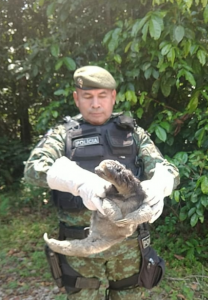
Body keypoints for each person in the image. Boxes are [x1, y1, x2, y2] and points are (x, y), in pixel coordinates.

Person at [24, 65, 180, 300]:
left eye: (102, 96)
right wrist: (78, 181)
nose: (95, 104)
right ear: (77, 98)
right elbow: (34, 168)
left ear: (113, 97)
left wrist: (160, 184)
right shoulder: (63, 135)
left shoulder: (133, 133)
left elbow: (166, 168)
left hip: (128, 244)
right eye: (88, 96)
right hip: (81, 243)